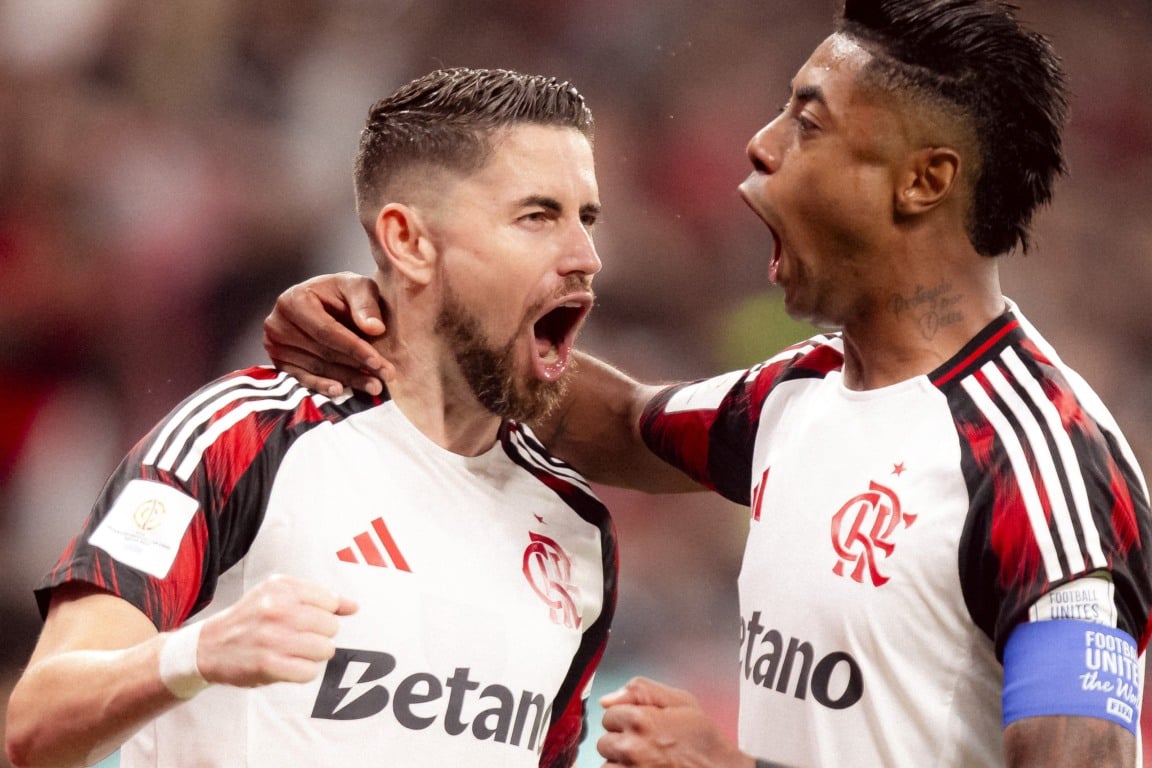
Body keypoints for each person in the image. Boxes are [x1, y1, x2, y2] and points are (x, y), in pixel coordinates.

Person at [261, 2, 1152, 767]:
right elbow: (619, 422)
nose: (761, 147)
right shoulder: (798, 396)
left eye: (808, 121)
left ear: (924, 180)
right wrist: (407, 316)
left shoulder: (1040, 472)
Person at [5, 67, 617, 768]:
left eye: (586, 218)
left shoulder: (575, 526)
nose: (585, 258)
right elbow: (36, 723)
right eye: (537, 216)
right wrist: (196, 653)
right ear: (409, 242)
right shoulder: (243, 437)